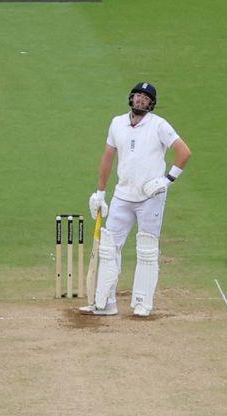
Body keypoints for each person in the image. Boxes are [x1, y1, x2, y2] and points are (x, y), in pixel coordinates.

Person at [81, 83, 192, 317]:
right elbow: (108, 157)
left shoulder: (159, 125)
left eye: (146, 98)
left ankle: (142, 302)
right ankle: (104, 303)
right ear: (131, 98)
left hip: (150, 197)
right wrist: (100, 193)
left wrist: (167, 180)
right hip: (122, 195)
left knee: (147, 249)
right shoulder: (117, 123)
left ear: (151, 104)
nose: (141, 100)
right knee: (109, 248)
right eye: (138, 96)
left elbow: (184, 152)